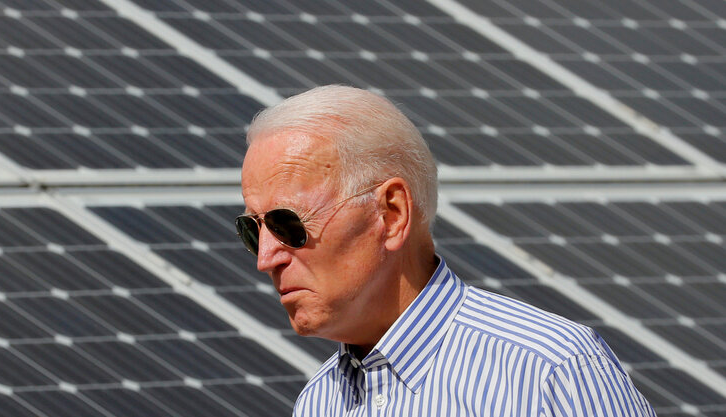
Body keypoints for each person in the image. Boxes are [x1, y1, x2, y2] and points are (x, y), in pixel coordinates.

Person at [236, 85, 655, 416]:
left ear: (392, 213)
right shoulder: (318, 403)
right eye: (253, 230)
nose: (265, 258)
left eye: (287, 223)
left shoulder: (549, 371)